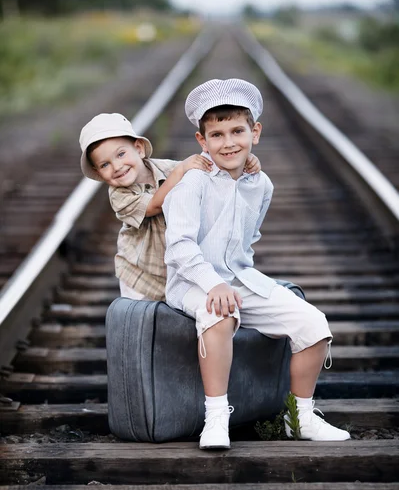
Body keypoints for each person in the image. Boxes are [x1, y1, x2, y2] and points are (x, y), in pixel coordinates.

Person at [162, 78, 351, 448]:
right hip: (192, 282)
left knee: (313, 323)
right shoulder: (193, 183)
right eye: (217, 135)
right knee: (221, 312)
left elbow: (247, 241)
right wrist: (213, 284)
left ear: (255, 132)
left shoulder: (260, 184)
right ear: (202, 141)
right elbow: (180, 245)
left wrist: (235, 282)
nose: (228, 142)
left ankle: (300, 417)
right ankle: (216, 417)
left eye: (237, 131)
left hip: (239, 277)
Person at [79, 112, 262, 301]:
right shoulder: (119, 195)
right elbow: (154, 205)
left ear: (139, 149)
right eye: (105, 164)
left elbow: (210, 171)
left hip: (177, 272)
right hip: (141, 276)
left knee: (183, 319)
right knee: (144, 322)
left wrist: (245, 160)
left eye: (121, 154)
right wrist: (181, 170)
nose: (117, 166)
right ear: (98, 173)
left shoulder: (166, 167)